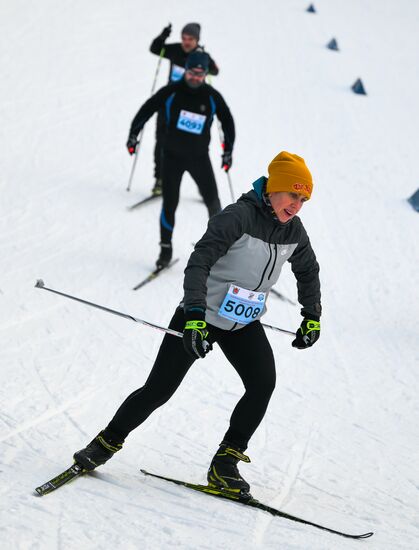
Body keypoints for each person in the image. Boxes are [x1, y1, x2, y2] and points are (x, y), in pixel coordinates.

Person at [73, 151, 322, 496]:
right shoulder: (238, 217)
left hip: (243, 324)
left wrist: (312, 316)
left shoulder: (294, 231)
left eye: (303, 199)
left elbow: (308, 270)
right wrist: (193, 317)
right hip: (200, 315)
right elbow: (198, 262)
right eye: (293, 195)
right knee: (159, 389)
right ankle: (104, 444)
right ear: (274, 189)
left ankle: (225, 464)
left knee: (262, 384)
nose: (296, 205)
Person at [127, 51, 235, 269]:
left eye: (200, 74)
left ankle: (221, 251)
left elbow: (228, 123)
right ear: (186, 70)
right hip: (172, 158)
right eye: (192, 72)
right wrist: (133, 134)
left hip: (199, 158)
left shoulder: (212, 96)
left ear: (205, 73)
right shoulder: (172, 91)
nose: (196, 77)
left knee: (214, 204)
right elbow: (146, 109)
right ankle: (165, 251)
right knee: (169, 204)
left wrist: (228, 151)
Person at [149, 23, 220, 195]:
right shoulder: (174, 50)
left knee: (195, 146)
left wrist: (207, 64)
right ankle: (160, 180)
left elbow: (215, 71)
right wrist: (163, 35)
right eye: (184, 38)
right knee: (162, 140)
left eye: (190, 39)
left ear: (197, 40)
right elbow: (155, 48)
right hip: (169, 103)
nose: (186, 42)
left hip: (192, 107)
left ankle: (203, 185)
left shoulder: (201, 56)